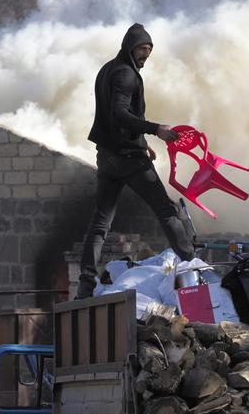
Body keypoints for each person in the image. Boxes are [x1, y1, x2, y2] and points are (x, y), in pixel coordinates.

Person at [76, 23, 194, 299]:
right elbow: (119, 113)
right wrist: (156, 130)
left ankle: (85, 284)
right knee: (167, 211)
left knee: (100, 223)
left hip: (107, 157)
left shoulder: (107, 70)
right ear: (130, 46)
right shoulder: (127, 75)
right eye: (142, 49)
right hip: (128, 161)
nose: (146, 56)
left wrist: (142, 143)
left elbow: (115, 120)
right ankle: (191, 264)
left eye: (149, 51)